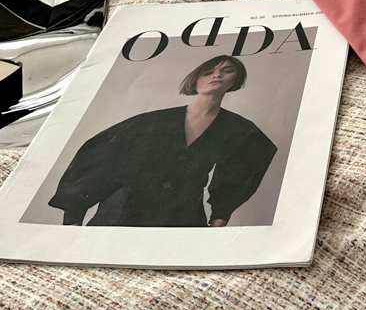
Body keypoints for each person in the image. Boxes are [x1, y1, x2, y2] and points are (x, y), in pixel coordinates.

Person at [48, 55, 276, 227]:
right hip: (121, 217)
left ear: (235, 80)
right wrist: (74, 216)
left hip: (183, 220)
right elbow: (96, 160)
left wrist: (220, 216)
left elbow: (246, 167)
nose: (217, 75)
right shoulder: (148, 122)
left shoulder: (239, 130)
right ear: (196, 79)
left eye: (227, 71)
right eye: (209, 72)